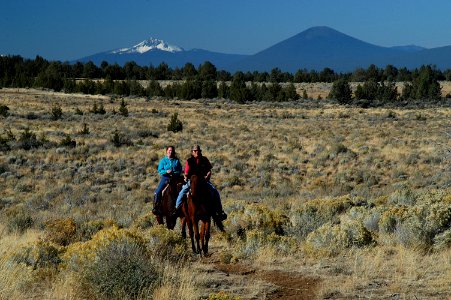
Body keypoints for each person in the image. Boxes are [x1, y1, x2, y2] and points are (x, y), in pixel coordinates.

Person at [174, 145, 227, 220]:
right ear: (192, 152)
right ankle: (177, 209)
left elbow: (209, 170)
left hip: (203, 181)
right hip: (192, 182)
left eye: (198, 151)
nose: (197, 152)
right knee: (182, 192)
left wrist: (208, 176)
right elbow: (186, 172)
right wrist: (186, 177)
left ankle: (219, 211)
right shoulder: (189, 161)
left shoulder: (204, 159)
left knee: (215, 191)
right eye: (195, 151)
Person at [153, 146, 182, 215]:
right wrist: (166, 171)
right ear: (166, 151)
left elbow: (179, 170)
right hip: (165, 177)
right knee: (158, 191)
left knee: (182, 190)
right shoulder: (163, 160)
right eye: (169, 150)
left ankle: (180, 207)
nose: (170, 152)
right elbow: (160, 170)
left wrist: (174, 172)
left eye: (172, 150)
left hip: (175, 178)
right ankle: (156, 206)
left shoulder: (176, 161)